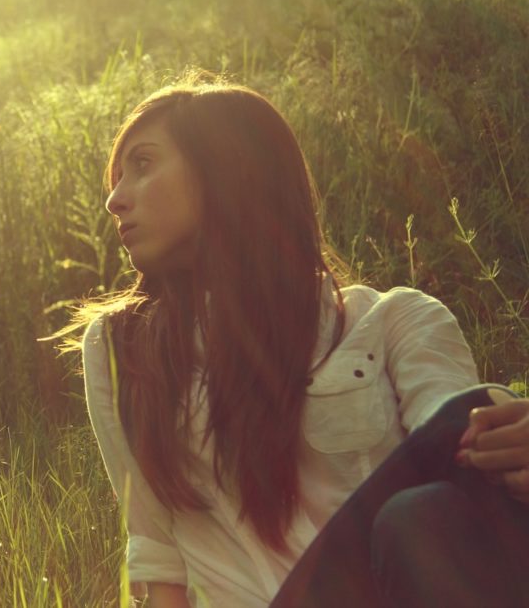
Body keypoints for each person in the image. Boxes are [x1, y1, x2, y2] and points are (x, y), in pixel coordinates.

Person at [74, 81, 529, 607]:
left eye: (144, 164)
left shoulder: (396, 321)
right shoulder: (120, 349)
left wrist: (508, 447)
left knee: (443, 477)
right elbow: (155, 550)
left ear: (228, 168)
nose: (114, 199)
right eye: (117, 178)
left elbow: (455, 471)